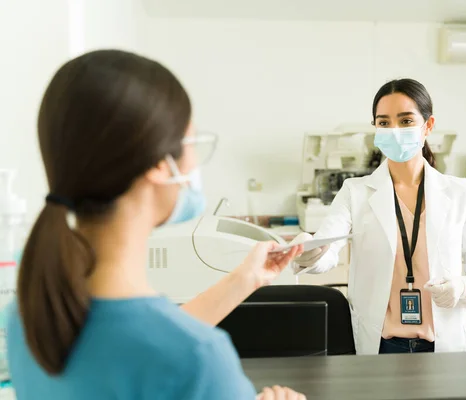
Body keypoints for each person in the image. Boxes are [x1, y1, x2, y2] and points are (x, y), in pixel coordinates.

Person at [7, 49, 306, 400]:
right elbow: (168, 349)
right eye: (190, 142)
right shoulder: (200, 359)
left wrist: (245, 279)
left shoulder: (27, 320)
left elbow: (136, 342)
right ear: (160, 164)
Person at [291, 78, 466, 355]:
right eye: (384, 122)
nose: (394, 131)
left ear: (428, 125)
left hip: (446, 343)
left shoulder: (461, 193)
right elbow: (328, 250)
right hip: (382, 345)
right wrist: (309, 253)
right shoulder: (356, 192)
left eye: (406, 121)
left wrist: (463, 286)